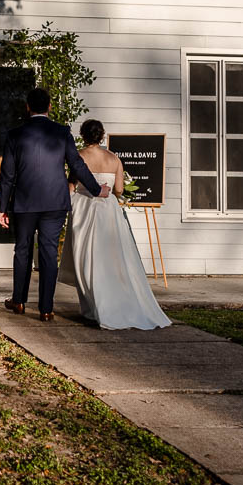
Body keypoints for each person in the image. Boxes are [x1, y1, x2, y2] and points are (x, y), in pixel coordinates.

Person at [0, 87, 110, 321]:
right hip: (54, 202)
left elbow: (7, 175)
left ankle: (18, 302)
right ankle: (46, 309)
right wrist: (97, 189)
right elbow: (77, 165)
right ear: (49, 107)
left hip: (25, 202)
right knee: (49, 252)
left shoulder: (15, 134)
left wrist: (2, 208)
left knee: (22, 250)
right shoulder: (61, 132)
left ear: (28, 107)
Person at [69, 119, 171, 330]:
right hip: (108, 211)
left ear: (83, 135)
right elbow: (118, 191)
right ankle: (107, 303)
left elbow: (72, 185)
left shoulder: (78, 156)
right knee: (111, 256)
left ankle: (91, 306)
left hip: (84, 209)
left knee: (85, 256)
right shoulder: (114, 159)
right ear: (102, 135)